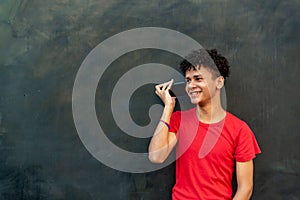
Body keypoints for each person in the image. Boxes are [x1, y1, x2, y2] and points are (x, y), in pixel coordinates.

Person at [148, 49, 261, 200]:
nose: (191, 86)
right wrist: (168, 107)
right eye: (188, 80)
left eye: (198, 79)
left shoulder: (239, 130)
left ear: (219, 82)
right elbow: (156, 157)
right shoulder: (178, 120)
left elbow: (245, 188)